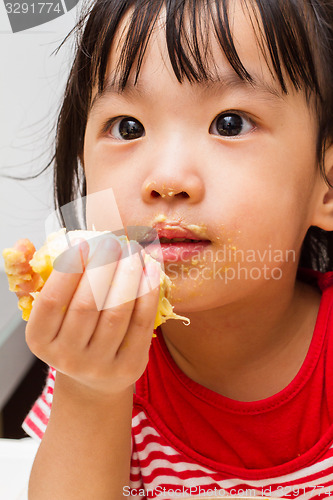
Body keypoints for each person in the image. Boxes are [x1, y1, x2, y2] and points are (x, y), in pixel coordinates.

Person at [21, 0, 333, 498]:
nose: (166, 179)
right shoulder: (98, 356)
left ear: (327, 185)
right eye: (128, 127)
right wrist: (92, 393)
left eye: (230, 122)